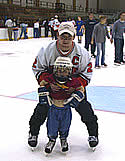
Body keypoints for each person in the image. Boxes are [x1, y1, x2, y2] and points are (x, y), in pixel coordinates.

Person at [28, 21, 99, 150]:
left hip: (74, 85)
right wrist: (49, 83)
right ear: (58, 35)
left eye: (69, 37)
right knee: (42, 109)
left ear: (73, 37)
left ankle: (93, 134)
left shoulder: (82, 53)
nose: (65, 40)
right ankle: (33, 133)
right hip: (52, 85)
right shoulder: (47, 50)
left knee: (85, 109)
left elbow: (87, 74)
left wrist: (75, 87)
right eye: (63, 37)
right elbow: (37, 69)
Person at [39, 56, 84, 153]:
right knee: (52, 126)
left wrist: (76, 94)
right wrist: (45, 92)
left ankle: (64, 139)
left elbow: (81, 88)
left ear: (69, 71)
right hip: (53, 108)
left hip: (66, 109)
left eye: (65, 71)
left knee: (65, 125)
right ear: (55, 70)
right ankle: (51, 140)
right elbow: (42, 83)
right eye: (59, 70)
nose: (62, 73)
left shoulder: (73, 81)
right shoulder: (51, 78)